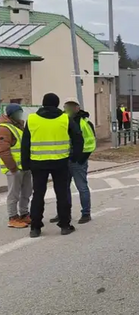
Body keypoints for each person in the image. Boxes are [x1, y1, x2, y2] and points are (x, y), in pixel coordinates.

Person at [21, 93, 84, 238]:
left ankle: (35, 228)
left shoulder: (32, 119)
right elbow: (78, 138)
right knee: (62, 194)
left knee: (38, 195)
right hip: (60, 162)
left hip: (37, 162)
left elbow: (25, 143)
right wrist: (75, 157)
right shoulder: (65, 118)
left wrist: (25, 163)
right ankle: (65, 225)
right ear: (57, 104)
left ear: (43, 103)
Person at [49, 98, 95, 224]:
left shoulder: (84, 123)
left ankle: (86, 213)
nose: (68, 109)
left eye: (70, 107)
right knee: (63, 188)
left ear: (77, 108)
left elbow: (91, 142)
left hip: (78, 161)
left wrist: (81, 159)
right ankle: (63, 213)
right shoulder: (61, 120)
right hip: (63, 159)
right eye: (66, 107)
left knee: (81, 187)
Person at [0, 104, 32, 228]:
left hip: (24, 166)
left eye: (21, 111)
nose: (20, 114)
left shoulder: (19, 126)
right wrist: (12, 167)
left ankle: (24, 214)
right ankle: (13, 217)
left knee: (26, 192)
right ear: (10, 114)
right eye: (17, 112)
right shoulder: (4, 128)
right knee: (13, 193)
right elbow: (3, 150)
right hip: (14, 168)